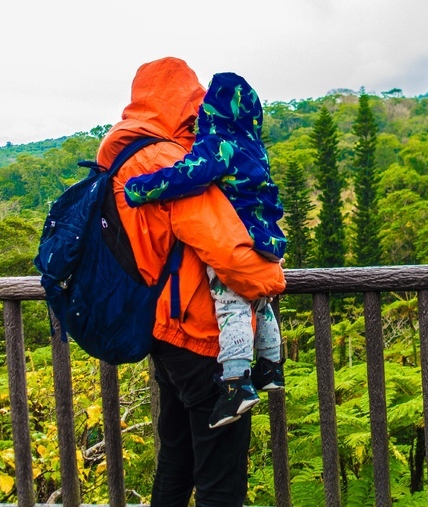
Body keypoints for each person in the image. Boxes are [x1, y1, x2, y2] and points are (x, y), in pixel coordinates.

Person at [97, 57, 285, 507]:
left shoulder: (120, 159)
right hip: (203, 336)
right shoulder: (166, 160)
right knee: (221, 478)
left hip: (161, 328)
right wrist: (269, 278)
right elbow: (226, 250)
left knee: (176, 461)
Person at [123, 71, 286, 428]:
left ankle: (237, 383)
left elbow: (188, 175)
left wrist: (139, 189)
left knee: (232, 307)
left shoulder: (221, 144)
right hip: (269, 239)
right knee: (260, 302)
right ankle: (272, 367)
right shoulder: (252, 146)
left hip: (240, 239)